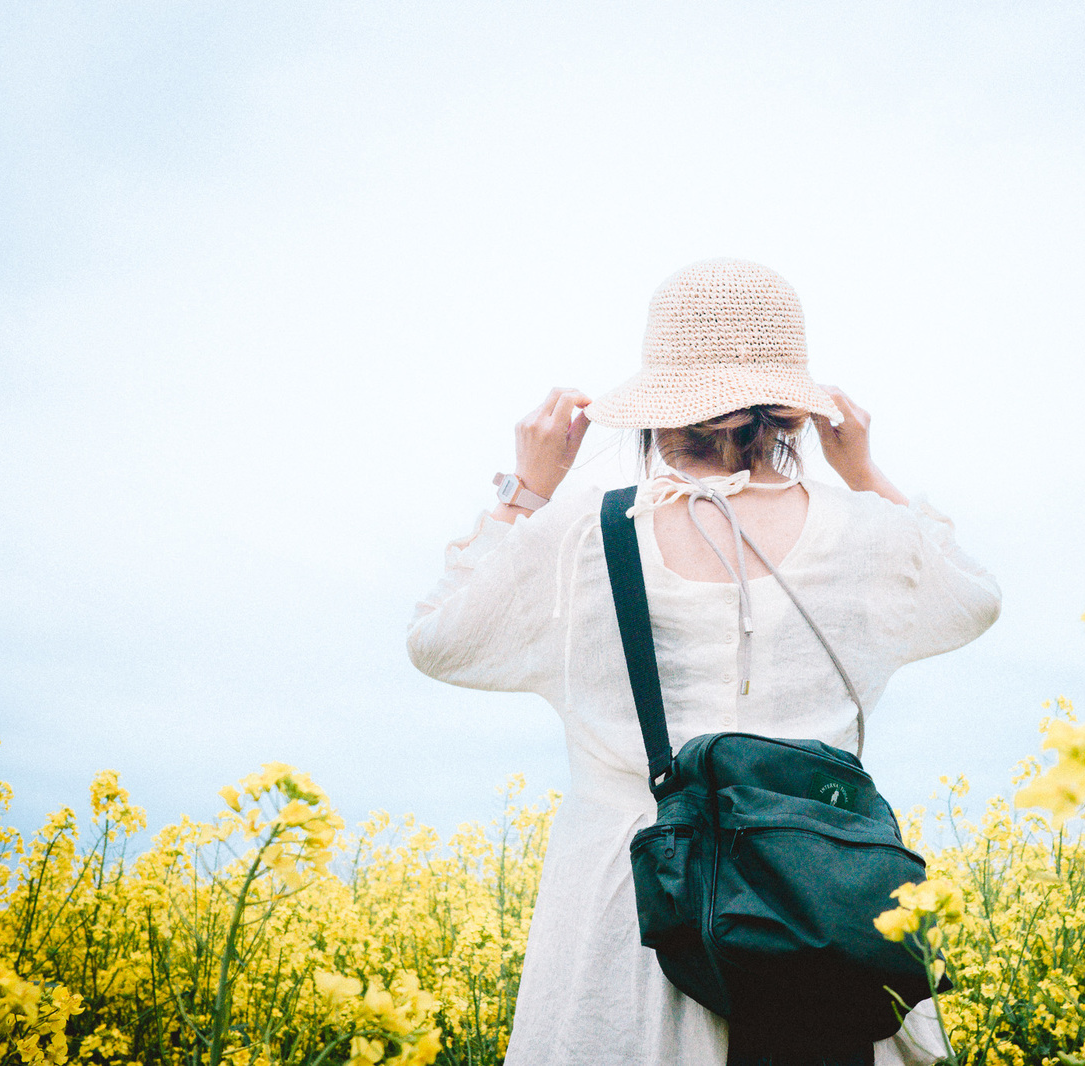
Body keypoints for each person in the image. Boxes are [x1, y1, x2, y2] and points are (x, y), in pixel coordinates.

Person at [407, 258, 1001, 1066]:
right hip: (815, 916)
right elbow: (973, 596)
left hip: (636, 921)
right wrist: (862, 471)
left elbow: (439, 639)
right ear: (793, 414)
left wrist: (528, 488)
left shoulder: (581, 535)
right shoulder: (866, 535)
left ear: (658, 403)